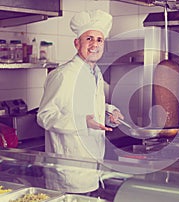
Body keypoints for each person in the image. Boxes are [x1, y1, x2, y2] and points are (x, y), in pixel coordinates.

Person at [37, 9, 124, 194]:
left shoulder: (95, 73)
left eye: (99, 40)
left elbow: (90, 106)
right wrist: (82, 122)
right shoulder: (63, 75)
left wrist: (109, 113)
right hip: (69, 171)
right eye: (89, 39)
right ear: (77, 43)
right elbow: (45, 116)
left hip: (92, 166)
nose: (95, 44)